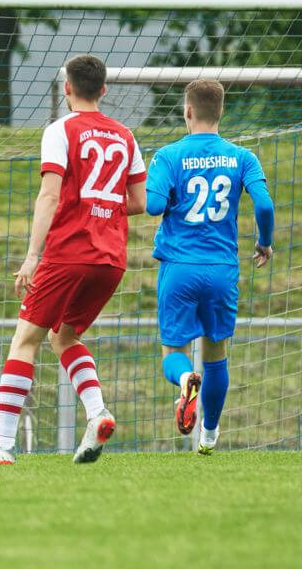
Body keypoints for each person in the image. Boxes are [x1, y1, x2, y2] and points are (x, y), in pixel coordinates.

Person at [0, 54, 147, 465]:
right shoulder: (126, 136)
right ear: (104, 89)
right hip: (111, 258)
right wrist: (101, 206)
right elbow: (139, 202)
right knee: (65, 336)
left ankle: (3, 445)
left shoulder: (60, 130)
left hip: (69, 253)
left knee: (25, 340)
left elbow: (49, 193)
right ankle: (98, 413)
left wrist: (31, 256)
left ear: (67, 88)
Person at [146, 79, 274, 454]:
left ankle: (186, 379)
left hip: (179, 266)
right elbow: (264, 205)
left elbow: (153, 206)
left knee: (174, 353)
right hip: (221, 268)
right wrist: (264, 241)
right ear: (221, 112)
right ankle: (209, 436)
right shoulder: (242, 157)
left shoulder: (168, 155)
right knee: (217, 354)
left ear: (187, 112)